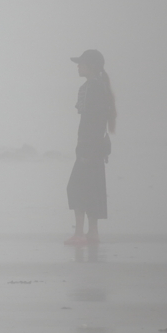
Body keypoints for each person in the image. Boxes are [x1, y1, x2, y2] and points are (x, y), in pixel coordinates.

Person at [64, 49, 116, 245]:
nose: (78, 66)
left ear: (91, 66)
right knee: (94, 187)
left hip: (89, 145)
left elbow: (88, 121)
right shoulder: (102, 87)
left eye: (81, 63)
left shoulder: (89, 88)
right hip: (98, 145)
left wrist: (83, 147)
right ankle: (92, 232)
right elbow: (101, 120)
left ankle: (79, 233)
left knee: (76, 188)